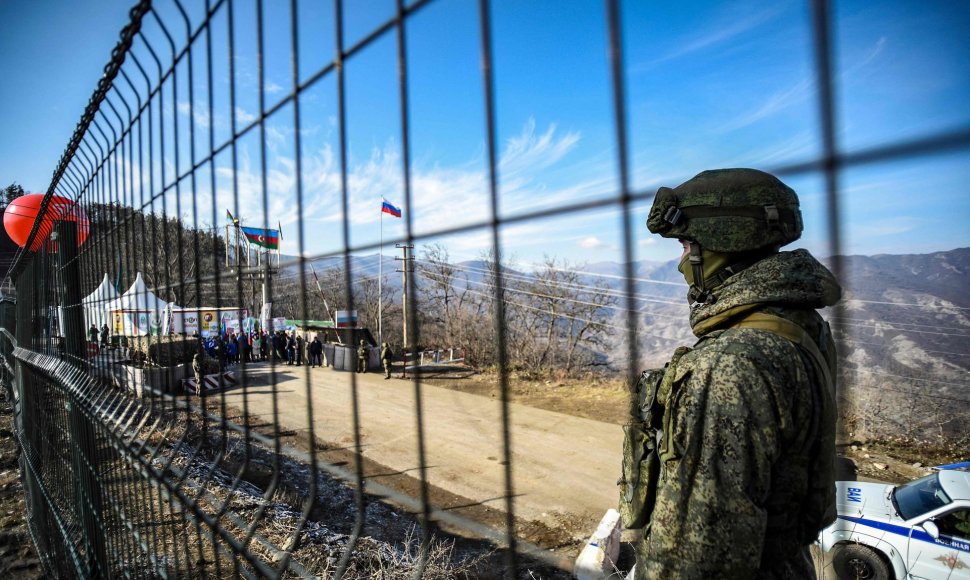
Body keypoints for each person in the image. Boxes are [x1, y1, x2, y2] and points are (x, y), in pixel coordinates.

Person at [626, 169, 841, 578]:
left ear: (724, 244)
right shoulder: (799, 327)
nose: (680, 263)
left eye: (686, 245)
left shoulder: (728, 365)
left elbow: (700, 559)